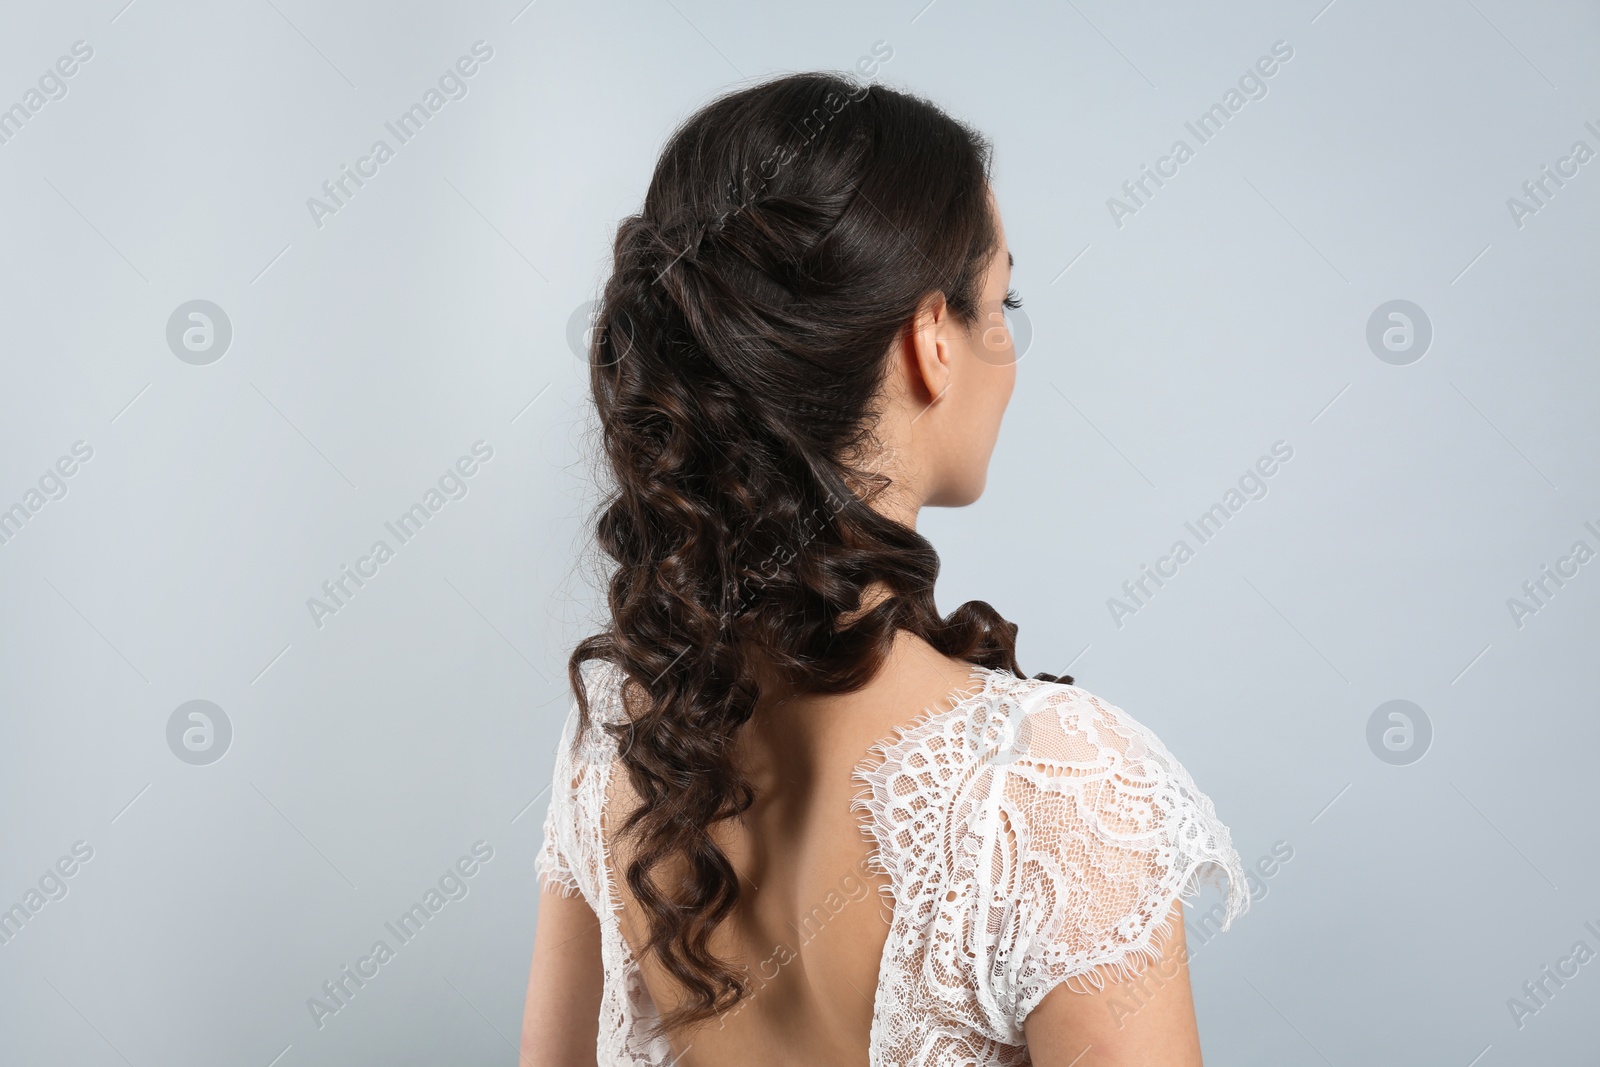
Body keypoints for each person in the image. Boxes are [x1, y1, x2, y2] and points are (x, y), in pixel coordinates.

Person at [520, 70, 1247, 1066]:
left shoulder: (620, 725)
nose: (1009, 353)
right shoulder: (1049, 793)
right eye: (1001, 304)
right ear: (928, 343)